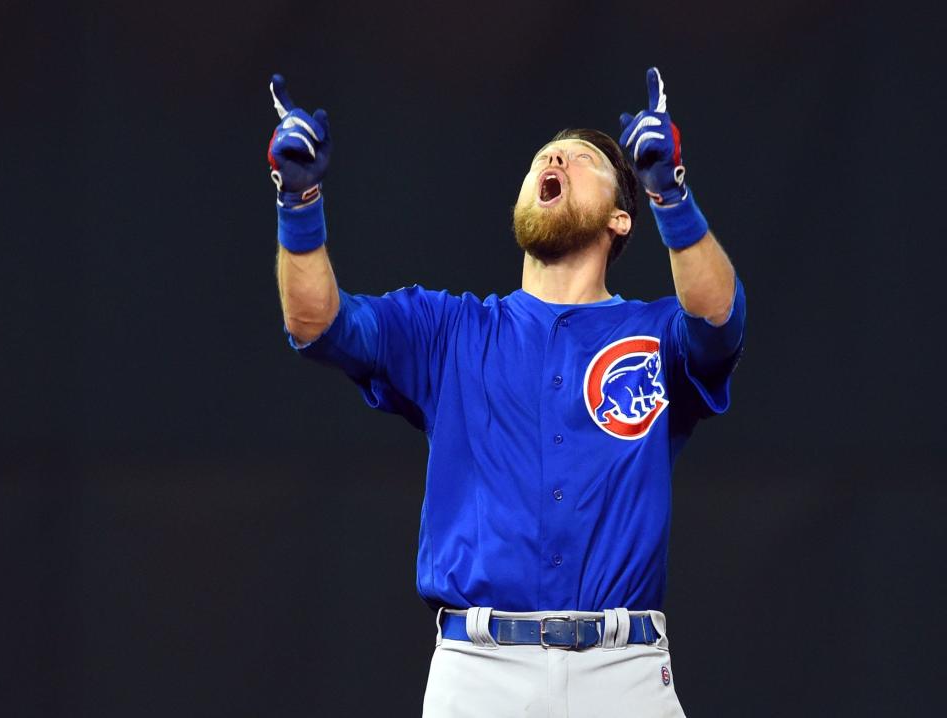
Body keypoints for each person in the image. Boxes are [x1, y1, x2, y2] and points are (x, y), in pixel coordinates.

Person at [268, 67, 746, 718]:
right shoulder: (448, 329)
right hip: (480, 671)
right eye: (543, 158)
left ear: (620, 217)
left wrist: (672, 196)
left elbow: (720, 320)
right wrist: (299, 205)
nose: (554, 158)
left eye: (580, 159)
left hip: (625, 669)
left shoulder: (654, 332)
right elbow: (316, 323)